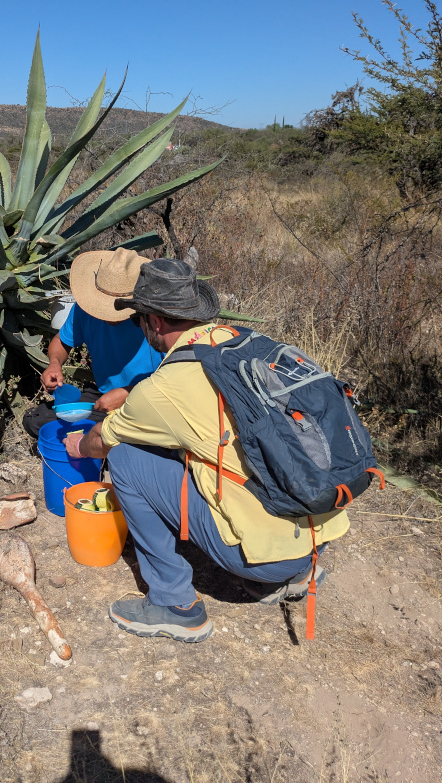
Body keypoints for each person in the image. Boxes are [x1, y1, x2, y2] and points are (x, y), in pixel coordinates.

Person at [64, 259, 350, 643]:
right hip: (319, 534)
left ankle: (174, 603)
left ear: (157, 322)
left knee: (125, 459)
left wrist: (79, 445)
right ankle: (295, 573)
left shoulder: (167, 385)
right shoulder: (244, 342)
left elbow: (103, 439)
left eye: (139, 319)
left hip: (263, 559)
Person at [22, 247, 163, 438]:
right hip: (102, 398)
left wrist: (130, 394)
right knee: (36, 419)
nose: (106, 315)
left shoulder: (156, 318)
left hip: (150, 400)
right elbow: (61, 341)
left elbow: (177, 375)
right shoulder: (85, 308)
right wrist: (54, 364)